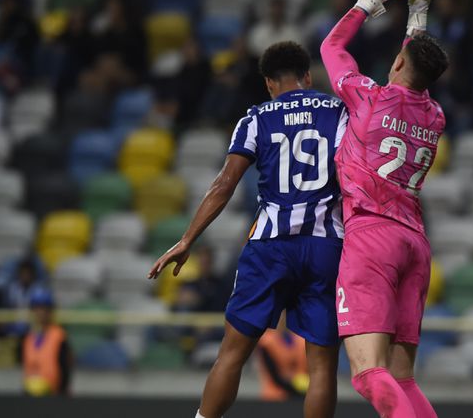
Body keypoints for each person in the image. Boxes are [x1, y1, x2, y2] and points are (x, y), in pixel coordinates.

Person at [148, 41, 347, 418]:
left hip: (271, 245)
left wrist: (188, 239)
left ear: (269, 83)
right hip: (326, 245)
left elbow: (224, 184)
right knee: (322, 365)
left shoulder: (257, 117)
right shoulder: (338, 111)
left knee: (233, 353)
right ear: (307, 77)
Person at [320, 0, 446, 418]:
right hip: (415, 242)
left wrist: (371, 0)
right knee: (402, 377)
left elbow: (332, 49)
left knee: (368, 375)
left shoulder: (369, 100)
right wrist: (419, 12)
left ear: (395, 66)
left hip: (371, 237)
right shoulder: (434, 115)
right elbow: (419, 66)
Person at [18, 289, 73, 397]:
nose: (41, 313)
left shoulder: (59, 335)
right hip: (30, 392)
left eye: (45, 309)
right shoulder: (28, 337)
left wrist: (62, 390)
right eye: (37, 308)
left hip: (53, 394)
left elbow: (65, 366)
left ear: (51, 311)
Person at [256, 314, 308, 402]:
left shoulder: (303, 341)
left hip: (302, 397)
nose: (282, 320)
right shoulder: (267, 342)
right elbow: (274, 375)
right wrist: (297, 389)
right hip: (274, 397)